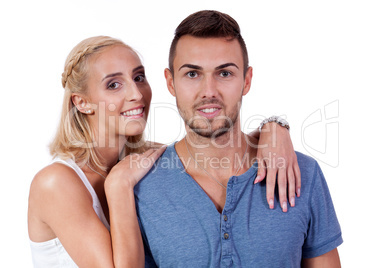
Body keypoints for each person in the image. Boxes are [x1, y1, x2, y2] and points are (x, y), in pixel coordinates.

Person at [27, 36, 299, 267]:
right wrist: (119, 187)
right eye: (114, 84)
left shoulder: (144, 161)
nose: (136, 93)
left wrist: (274, 128)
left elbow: (219, 145)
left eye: (139, 77)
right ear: (82, 102)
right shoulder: (56, 183)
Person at [134, 10, 343, 267]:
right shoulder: (142, 186)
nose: (208, 91)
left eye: (224, 74)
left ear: (246, 80)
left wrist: (276, 125)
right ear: (170, 83)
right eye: (192, 74)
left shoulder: (302, 174)